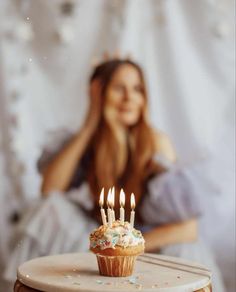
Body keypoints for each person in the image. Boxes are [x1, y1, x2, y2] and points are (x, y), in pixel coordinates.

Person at [4, 58, 225, 291]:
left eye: (137, 89)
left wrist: (125, 247)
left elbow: (188, 229)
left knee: (188, 251)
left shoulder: (155, 144)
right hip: (99, 241)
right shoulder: (91, 143)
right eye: (119, 88)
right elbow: (50, 190)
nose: (129, 97)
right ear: (100, 95)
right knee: (49, 210)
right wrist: (91, 122)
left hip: (150, 244)